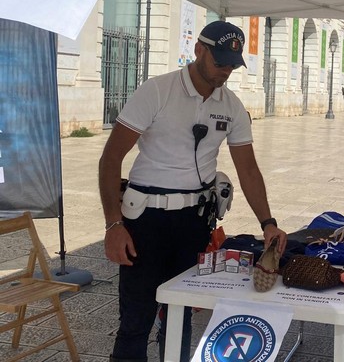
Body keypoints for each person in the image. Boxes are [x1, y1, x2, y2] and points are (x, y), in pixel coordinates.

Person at [99, 21, 288, 362]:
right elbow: (111, 158)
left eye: (232, 64)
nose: (226, 70)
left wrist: (268, 222)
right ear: (199, 50)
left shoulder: (231, 106)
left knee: (180, 313)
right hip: (144, 219)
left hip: (193, 221)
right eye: (219, 61)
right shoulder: (157, 91)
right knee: (136, 318)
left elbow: (248, 169)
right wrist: (114, 225)